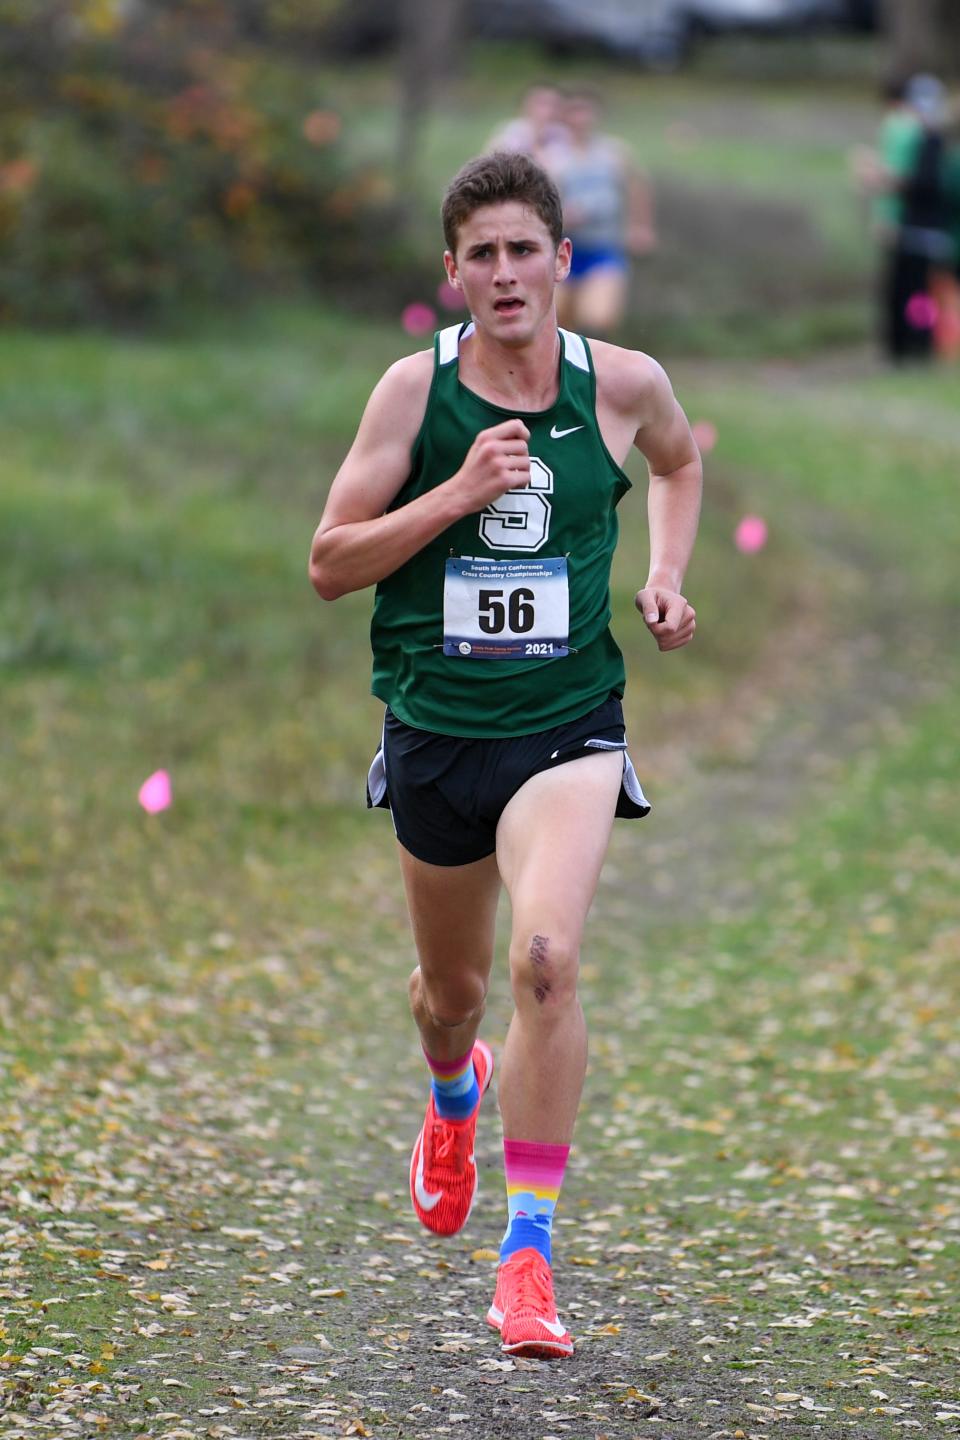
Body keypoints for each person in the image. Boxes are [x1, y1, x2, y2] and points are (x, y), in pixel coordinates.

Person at [309, 151, 701, 1359]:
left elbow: (681, 464)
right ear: (453, 275)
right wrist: (454, 494)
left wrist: (667, 573)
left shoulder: (623, 385)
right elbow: (330, 561)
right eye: (480, 253)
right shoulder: (412, 395)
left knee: (545, 960)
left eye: (524, 248)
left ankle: (528, 1255)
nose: (504, 272)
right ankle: (450, 1090)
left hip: (567, 723)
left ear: (561, 261)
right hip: (436, 728)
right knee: (453, 995)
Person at [551, 89, 656, 338]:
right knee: (560, 321)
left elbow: (637, 186)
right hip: (564, 249)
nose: (581, 118)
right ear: (564, 116)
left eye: (586, 110)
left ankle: (597, 370)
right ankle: (565, 372)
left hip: (604, 246)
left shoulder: (614, 152)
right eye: (575, 111)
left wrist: (640, 226)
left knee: (598, 318)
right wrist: (563, 216)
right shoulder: (552, 156)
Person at [487, 82, 570, 171]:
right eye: (541, 103)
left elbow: (561, 172)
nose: (549, 110)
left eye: (554, 104)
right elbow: (489, 163)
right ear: (526, 105)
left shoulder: (561, 134)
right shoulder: (510, 130)